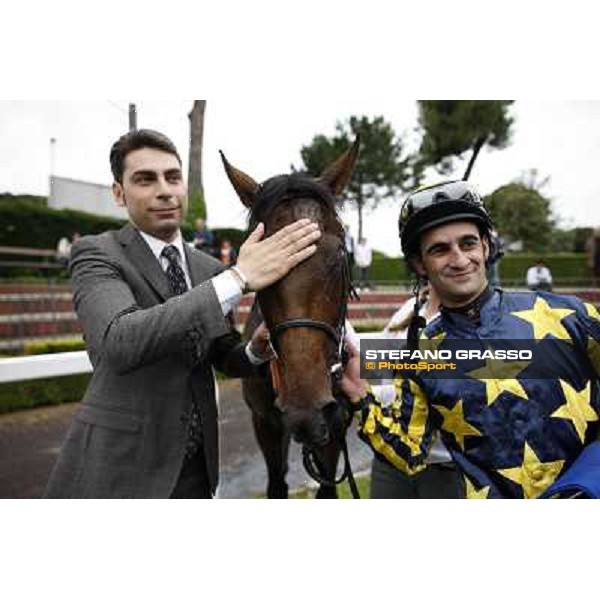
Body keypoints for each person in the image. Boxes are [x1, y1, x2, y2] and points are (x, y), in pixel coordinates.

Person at [44, 129, 321, 499]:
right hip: (120, 468)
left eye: (173, 177)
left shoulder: (208, 269)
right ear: (118, 193)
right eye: (145, 179)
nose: (164, 190)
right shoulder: (97, 253)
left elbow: (221, 353)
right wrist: (237, 277)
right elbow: (118, 342)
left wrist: (254, 350)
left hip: (196, 470)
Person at [341, 180, 600, 499]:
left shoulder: (568, 315)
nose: (460, 259)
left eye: (468, 243)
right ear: (420, 265)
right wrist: (358, 396)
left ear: (486, 247)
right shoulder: (419, 348)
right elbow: (410, 453)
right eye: (440, 249)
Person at [369, 283, 461, 499]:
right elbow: (376, 372)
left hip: (449, 467)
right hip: (391, 460)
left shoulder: (483, 319)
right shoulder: (410, 308)